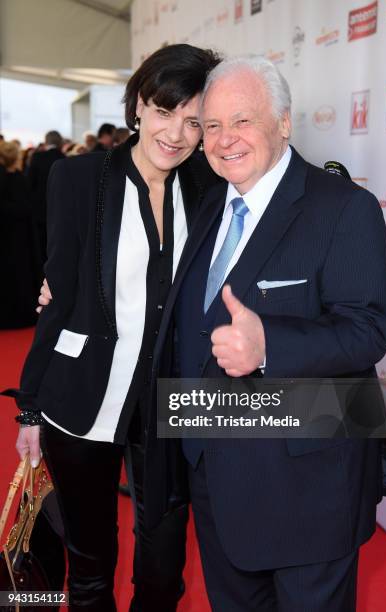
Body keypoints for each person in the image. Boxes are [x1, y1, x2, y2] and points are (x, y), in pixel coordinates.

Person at [150, 56, 386, 611]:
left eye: (242, 121)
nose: (224, 141)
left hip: (307, 490)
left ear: (284, 123)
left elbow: (369, 329)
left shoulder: (343, 208)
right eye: (212, 126)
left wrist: (270, 346)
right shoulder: (207, 204)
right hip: (212, 475)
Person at [10, 44, 220, 612]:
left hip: (169, 402)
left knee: (163, 568)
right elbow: (57, 300)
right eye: (163, 110)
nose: (176, 132)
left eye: (194, 121)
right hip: (82, 396)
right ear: (137, 107)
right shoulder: (78, 179)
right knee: (90, 568)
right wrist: (29, 406)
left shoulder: (209, 189)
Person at [0, 141, 41, 328]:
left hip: (10, 236)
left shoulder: (11, 179)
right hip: (19, 238)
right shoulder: (17, 178)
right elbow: (26, 208)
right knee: (20, 275)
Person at [28, 130, 65, 263]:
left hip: (39, 208)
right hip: (60, 208)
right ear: (60, 142)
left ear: (46, 141)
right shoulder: (64, 157)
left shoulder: (38, 157)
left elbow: (30, 182)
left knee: (41, 243)